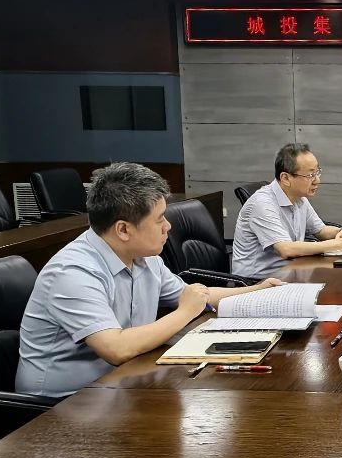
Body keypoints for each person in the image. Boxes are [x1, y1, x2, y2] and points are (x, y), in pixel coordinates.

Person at [17, 162, 284, 398]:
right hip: (62, 405)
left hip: (123, 382)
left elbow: (195, 296)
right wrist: (185, 312)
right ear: (123, 229)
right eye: (159, 220)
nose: (168, 226)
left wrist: (258, 290)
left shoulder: (143, 257)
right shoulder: (73, 272)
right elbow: (116, 349)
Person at [231, 143, 342, 277]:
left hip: (291, 272)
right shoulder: (262, 203)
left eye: (317, 172)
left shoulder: (299, 197)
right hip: (257, 282)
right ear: (286, 178)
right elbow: (286, 249)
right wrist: (340, 244)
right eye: (310, 175)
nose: (317, 180)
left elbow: (321, 231)